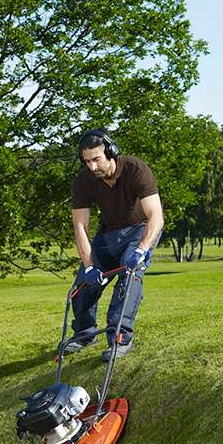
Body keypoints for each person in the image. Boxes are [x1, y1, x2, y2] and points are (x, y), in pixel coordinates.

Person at [66, 128, 164, 361]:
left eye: (96, 159)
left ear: (111, 152)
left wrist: (140, 251)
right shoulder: (83, 182)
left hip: (140, 229)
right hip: (108, 233)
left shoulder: (135, 169)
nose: (92, 167)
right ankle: (85, 334)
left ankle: (120, 339)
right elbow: (80, 227)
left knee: (129, 278)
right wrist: (89, 267)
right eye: (87, 161)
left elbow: (157, 217)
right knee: (81, 287)